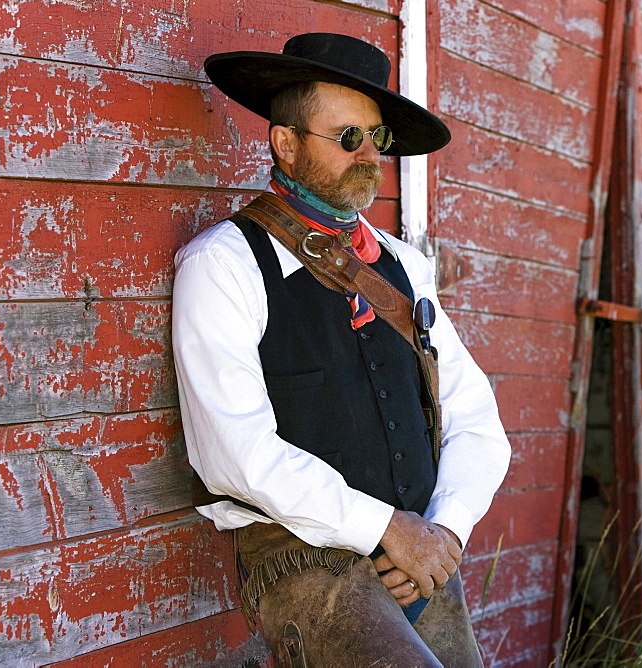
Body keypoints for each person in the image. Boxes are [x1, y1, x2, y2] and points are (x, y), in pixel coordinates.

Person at [172, 32, 511, 666]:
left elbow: (479, 425)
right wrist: (386, 528)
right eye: (346, 137)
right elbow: (233, 453)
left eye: (376, 139)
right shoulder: (224, 263)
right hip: (303, 557)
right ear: (286, 143)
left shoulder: (404, 268)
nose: (368, 156)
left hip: (418, 553)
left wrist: (445, 531)